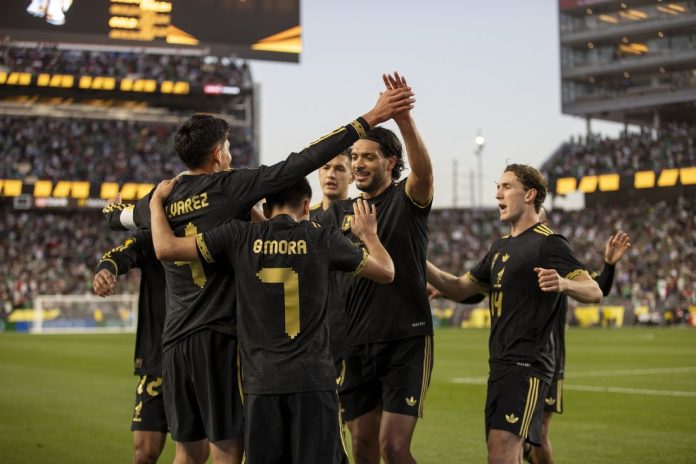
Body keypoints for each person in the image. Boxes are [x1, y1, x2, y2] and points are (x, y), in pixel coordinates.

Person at [102, 78, 414, 464]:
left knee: (186, 452)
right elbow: (305, 159)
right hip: (223, 339)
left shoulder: (162, 198)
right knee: (228, 451)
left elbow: (122, 219)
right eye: (228, 148)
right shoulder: (233, 189)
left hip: (175, 340)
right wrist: (370, 118)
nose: (231, 155)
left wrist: (126, 210)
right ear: (217, 154)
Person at [148, 177, 395, 463]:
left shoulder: (238, 236)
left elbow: (166, 248)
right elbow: (386, 272)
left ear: (265, 208)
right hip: (314, 381)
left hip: (261, 384)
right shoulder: (322, 238)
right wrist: (369, 235)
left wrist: (155, 204)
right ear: (307, 206)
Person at [426, 164, 603, 464]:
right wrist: (417, 256)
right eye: (498, 187)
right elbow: (459, 288)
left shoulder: (549, 242)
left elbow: (594, 291)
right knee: (501, 454)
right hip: (499, 364)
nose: (498, 194)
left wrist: (564, 283)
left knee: (502, 453)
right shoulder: (499, 247)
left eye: (507, 187)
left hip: (527, 364)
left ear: (530, 195)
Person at [314, 72, 434, 463]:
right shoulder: (343, 212)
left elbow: (424, 173)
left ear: (390, 162)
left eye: (368, 157)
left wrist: (403, 120)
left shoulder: (406, 199)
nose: (358, 164)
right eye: (355, 158)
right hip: (354, 343)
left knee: (393, 447)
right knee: (362, 445)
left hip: (405, 337)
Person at [93, 232, 211, 464]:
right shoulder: (154, 235)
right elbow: (120, 254)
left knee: (193, 455)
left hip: (197, 358)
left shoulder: (212, 228)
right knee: (143, 454)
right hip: (156, 360)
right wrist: (106, 270)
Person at [528, 212, 631, 464]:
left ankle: (528, 452)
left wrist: (608, 264)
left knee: (539, 431)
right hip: (515, 355)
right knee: (512, 433)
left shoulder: (556, 254)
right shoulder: (510, 252)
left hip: (550, 357)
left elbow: (597, 288)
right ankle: (524, 451)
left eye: (541, 218)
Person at [310, 148, 355, 376]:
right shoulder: (303, 217)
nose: (331, 174)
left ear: (352, 175)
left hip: (352, 326)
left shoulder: (364, 216)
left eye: (339, 169)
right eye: (325, 168)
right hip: (312, 327)